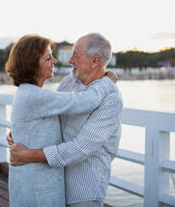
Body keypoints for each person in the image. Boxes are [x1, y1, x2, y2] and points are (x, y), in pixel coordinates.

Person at [9, 33, 123, 207]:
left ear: (95, 61)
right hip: (53, 183)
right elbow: (50, 113)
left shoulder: (111, 98)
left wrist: (28, 155)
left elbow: (80, 148)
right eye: (49, 58)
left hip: (83, 191)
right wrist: (23, 130)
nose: (69, 61)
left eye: (76, 55)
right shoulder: (70, 82)